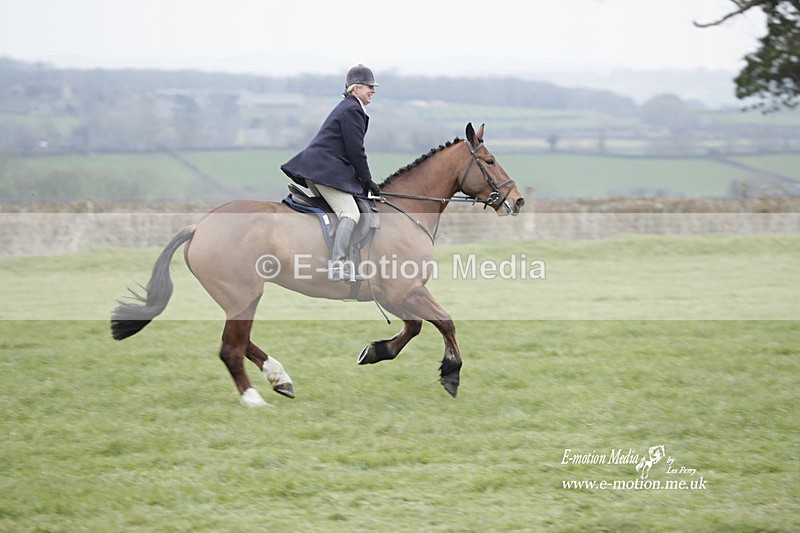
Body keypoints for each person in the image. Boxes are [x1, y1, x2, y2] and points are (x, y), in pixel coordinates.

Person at [281, 64, 381, 282]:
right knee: (350, 214)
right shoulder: (352, 109)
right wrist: (368, 180)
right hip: (325, 171)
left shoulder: (348, 107)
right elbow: (356, 151)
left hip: (322, 169)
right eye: (369, 87)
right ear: (356, 89)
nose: (373, 90)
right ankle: (336, 266)